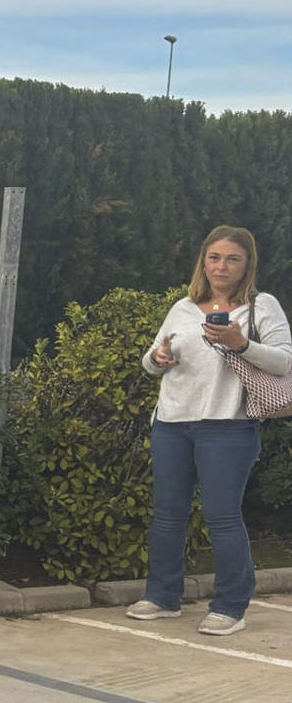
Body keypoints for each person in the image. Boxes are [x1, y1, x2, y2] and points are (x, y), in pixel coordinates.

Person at [132, 225, 291, 636]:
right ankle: (163, 597)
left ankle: (230, 606)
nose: (222, 266)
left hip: (229, 426)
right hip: (172, 422)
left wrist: (241, 344)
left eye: (232, 258)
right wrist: (159, 356)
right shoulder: (184, 307)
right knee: (168, 515)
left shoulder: (261, 306)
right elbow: (150, 361)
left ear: (247, 265)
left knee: (221, 516)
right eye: (215, 257)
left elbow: (284, 362)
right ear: (204, 261)